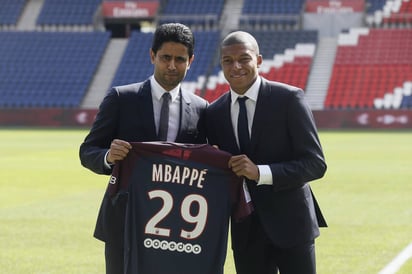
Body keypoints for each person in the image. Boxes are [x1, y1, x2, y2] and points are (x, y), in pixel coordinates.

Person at [79, 23, 208, 274]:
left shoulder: (202, 108)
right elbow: (88, 151)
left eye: (179, 59)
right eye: (165, 58)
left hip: (178, 225)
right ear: (152, 56)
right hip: (125, 220)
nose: (172, 65)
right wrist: (108, 156)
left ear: (190, 61)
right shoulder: (120, 98)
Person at [204, 31, 327, 274]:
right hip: (245, 231)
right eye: (228, 60)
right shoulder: (213, 113)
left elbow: (315, 163)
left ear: (259, 60)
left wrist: (260, 172)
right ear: (221, 65)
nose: (236, 66)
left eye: (244, 58)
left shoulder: (289, 99)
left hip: (292, 226)